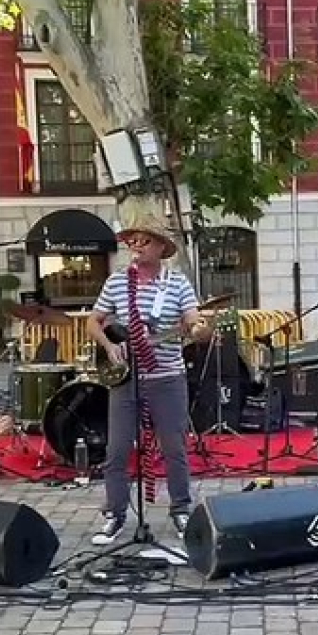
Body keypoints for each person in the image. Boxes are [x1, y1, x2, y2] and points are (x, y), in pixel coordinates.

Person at [86, 213, 211, 546]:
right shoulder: (116, 282)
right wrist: (109, 346)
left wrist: (199, 329)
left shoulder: (177, 283)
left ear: (160, 247)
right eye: (133, 241)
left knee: (174, 447)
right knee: (116, 449)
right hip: (127, 378)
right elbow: (93, 321)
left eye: (144, 241)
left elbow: (193, 320)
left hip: (167, 377)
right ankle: (115, 513)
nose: (136, 246)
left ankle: (180, 508)